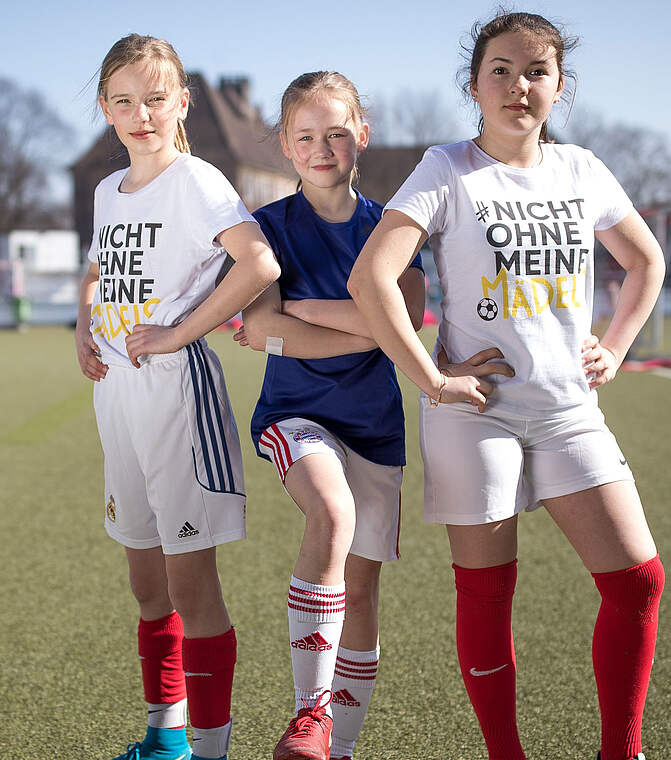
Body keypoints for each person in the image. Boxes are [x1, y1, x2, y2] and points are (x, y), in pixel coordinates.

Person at [347, 12, 667, 760]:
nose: (519, 85)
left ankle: (622, 752)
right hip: (479, 415)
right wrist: (431, 376)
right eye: (501, 70)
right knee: (490, 598)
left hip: (567, 412)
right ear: (474, 84)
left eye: (536, 71)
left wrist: (615, 348)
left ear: (559, 86)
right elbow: (373, 277)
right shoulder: (447, 167)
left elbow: (645, 263)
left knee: (638, 584)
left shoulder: (582, 169)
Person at [75, 33, 281, 760]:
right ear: (105, 109)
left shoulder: (195, 180)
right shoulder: (108, 190)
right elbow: (100, 270)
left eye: (155, 99)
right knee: (144, 580)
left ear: (182, 102)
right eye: (124, 101)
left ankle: (210, 748)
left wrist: (179, 332)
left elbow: (257, 261)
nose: (141, 114)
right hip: (116, 398)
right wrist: (84, 329)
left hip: (176, 394)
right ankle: (165, 738)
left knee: (192, 584)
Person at [232, 72, 432, 760]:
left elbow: (408, 314)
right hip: (294, 415)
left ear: (362, 138)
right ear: (286, 145)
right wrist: (373, 325)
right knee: (332, 513)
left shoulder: (393, 229)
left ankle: (338, 749)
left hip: (374, 425)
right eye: (307, 136)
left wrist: (307, 313)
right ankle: (309, 717)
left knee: (364, 586)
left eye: (337, 134)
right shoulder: (266, 230)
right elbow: (260, 331)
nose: (323, 148)